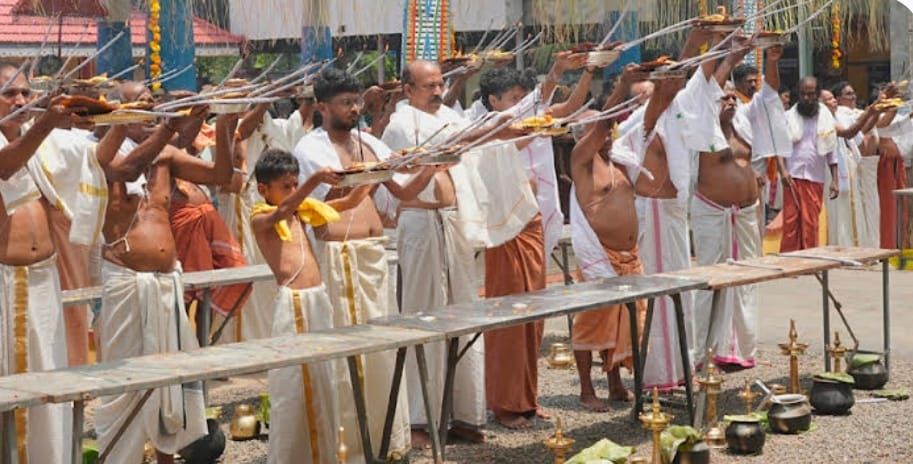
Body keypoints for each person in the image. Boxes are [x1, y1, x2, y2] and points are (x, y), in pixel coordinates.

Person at [294, 67, 442, 459]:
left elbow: (404, 190)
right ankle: (348, 448)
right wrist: (368, 177)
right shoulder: (310, 150)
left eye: (356, 101)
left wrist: (432, 164)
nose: (354, 108)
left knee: (382, 353)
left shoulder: (370, 143)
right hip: (337, 257)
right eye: (345, 103)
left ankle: (386, 440)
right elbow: (321, 207)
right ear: (323, 107)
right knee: (347, 359)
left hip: (374, 254)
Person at [93, 90, 234, 463]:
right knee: (126, 381)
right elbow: (125, 171)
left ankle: (165, 459)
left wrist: (223, 121)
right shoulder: (101, 153)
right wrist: (171, 126)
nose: (148, 110)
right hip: (126, 283)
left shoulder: (166, 156)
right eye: (138, 103)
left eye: (150, 103)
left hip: (166, 282)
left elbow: (221, 176)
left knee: (168, 382)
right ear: (119, 112)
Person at [474, 52, 593, 428]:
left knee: (533, 320)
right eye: (513, 98)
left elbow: (569, 106)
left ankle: (527, 399)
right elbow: (530, 117)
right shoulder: (492, 126)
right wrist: (555, 71)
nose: (520, 105)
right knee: (510, 319)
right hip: (508, 229)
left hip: (534, 225)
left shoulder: (529, 121)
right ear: (494, 102)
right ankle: (505, 403)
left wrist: (591, 70)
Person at [0, 62, 108, 464]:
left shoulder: (44, 143)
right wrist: (46, 123)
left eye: (25, 92)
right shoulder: (34, 138)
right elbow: (5, 165)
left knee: (48, 383)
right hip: (4, 285)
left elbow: (99, 156)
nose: (21, 100)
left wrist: (125, 120)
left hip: (43, 283)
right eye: (10, 93)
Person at [380, 60, 486, 446]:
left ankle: (463, 413)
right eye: (428, 85)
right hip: (421, 224)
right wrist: (433, 161)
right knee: (423, 313)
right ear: (408, 89)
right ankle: (421, 418)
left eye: (440, 84)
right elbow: (398, 183)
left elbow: (477, 141)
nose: (437, 91)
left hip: (453, 222)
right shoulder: (399, 123)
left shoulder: (451, 117)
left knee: (463, 312)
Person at [251, 148, 368, 464]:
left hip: (317, 300)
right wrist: (314, 179)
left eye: (295, 183)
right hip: (295, 304)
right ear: (264, 189)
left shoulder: (303, 211)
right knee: (293, 388)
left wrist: (374, 175)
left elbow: (349, 203)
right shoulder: (260, 215)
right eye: (285, 186)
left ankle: (323, 456)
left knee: (323, 381)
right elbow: (280, 213)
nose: (293, 191)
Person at [691, 44, 786, 370]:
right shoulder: (700, 129)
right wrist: (729, 55)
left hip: (746, 214)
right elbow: (703, 93)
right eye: (723, 97)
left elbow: (770, 95)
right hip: (712, 213)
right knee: (709, 282)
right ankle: (700, 351)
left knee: (746, 280)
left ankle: (738, 348)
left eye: (733, 97)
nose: (730, 101)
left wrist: (771, 61)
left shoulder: (744, 123)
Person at [569, 68, 647, 410]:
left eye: (610, 128)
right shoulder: (581, 162)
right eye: (599, 129)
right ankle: (587, 390)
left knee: (626, 321)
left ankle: (615, 382)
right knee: (593, 322)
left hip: (630, 256)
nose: (609, 132)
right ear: (582, 137)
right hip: (601, 259)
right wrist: (623, 85)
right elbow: (603, 124)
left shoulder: (618, 161)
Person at [221, 85, 318, 342]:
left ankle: (271, 336)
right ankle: (243, 342)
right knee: (248, 271)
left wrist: (308, 94)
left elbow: (296, 127)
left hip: (278, 202)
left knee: (276, 275)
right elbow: (244, 129)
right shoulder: (232, 125)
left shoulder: (274, 125)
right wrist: (267, 97)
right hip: (249, 205)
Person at [778, 76, 838, 252]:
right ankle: (790, 260)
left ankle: (809, 260)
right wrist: (783, 171)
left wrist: (834, 180)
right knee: (790, 221)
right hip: (792, 176)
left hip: (815, 178)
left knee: (810, 222)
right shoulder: (788, 116)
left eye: (811, 94)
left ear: (817, 95)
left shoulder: (826, 119)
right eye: (803, 94)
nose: (806, 98)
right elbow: (779, 147)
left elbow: (831, 150)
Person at [820, 86, 881, 247]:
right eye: (827, 100)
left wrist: (874, 112)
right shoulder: (822, 121)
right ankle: (840, 248)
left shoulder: (841, 116)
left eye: (832, 98)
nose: (832, 101)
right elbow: (848, 132)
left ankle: (856, 248)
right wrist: (872, 109)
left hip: (850, 166)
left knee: (853, 209)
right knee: (838, 211)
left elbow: (859, 132)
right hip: (833, 170)